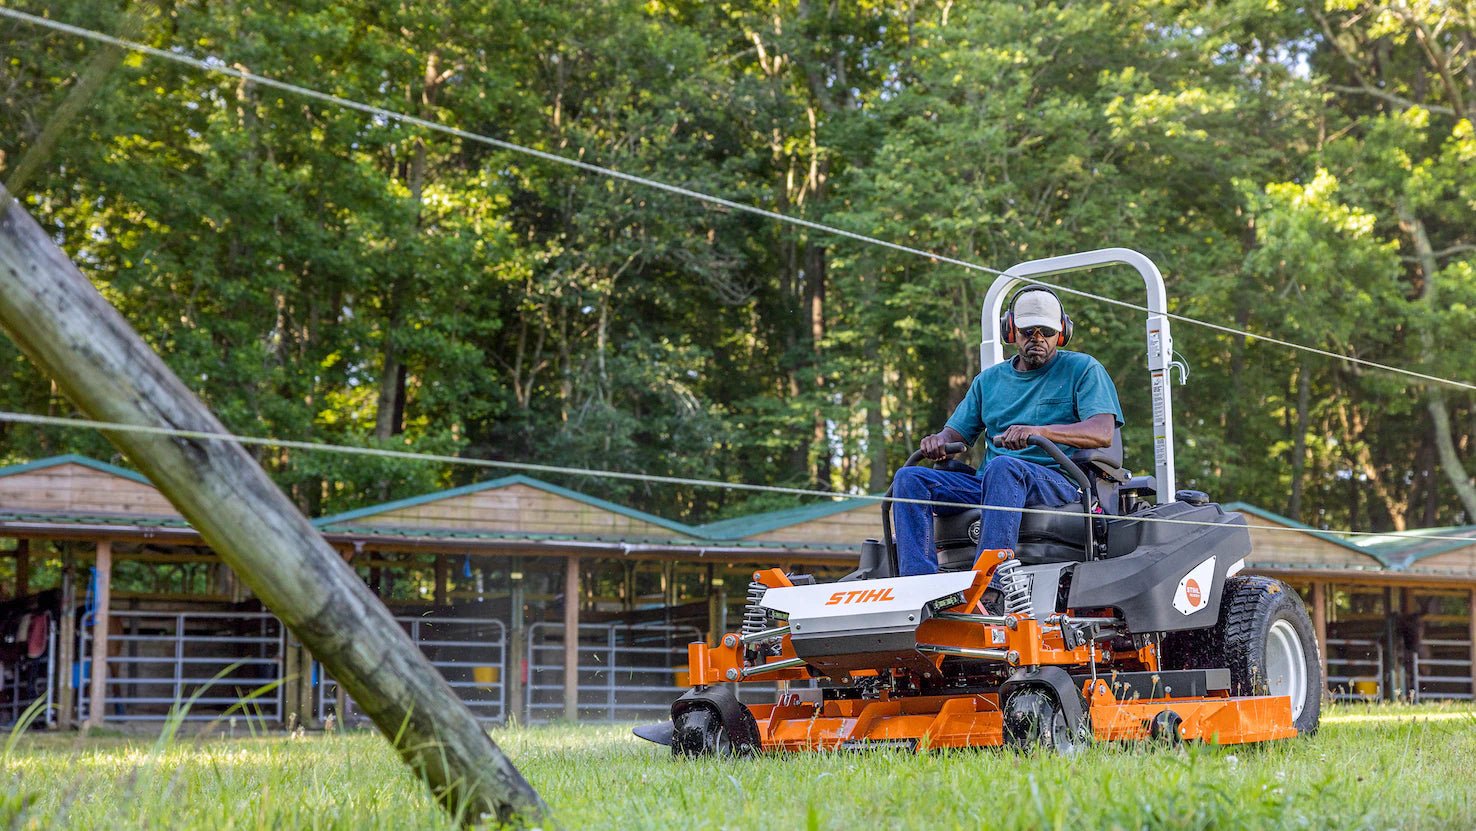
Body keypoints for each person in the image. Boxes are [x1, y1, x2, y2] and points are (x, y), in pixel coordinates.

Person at [892, 285, 1124, 576]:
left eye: (1047, 333)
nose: (1038, 340)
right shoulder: (988, 381)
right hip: (993, 484)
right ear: (1011, 331)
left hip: (1056, 481)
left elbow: (1101, 432)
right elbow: (955, 435)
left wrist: (1038, 432)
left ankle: (990, 581)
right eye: (1028, 332)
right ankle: (917, 583)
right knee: (910, 479)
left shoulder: (1083, 369)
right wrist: (938, 441)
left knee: (1004, 467)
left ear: (1062, 332)